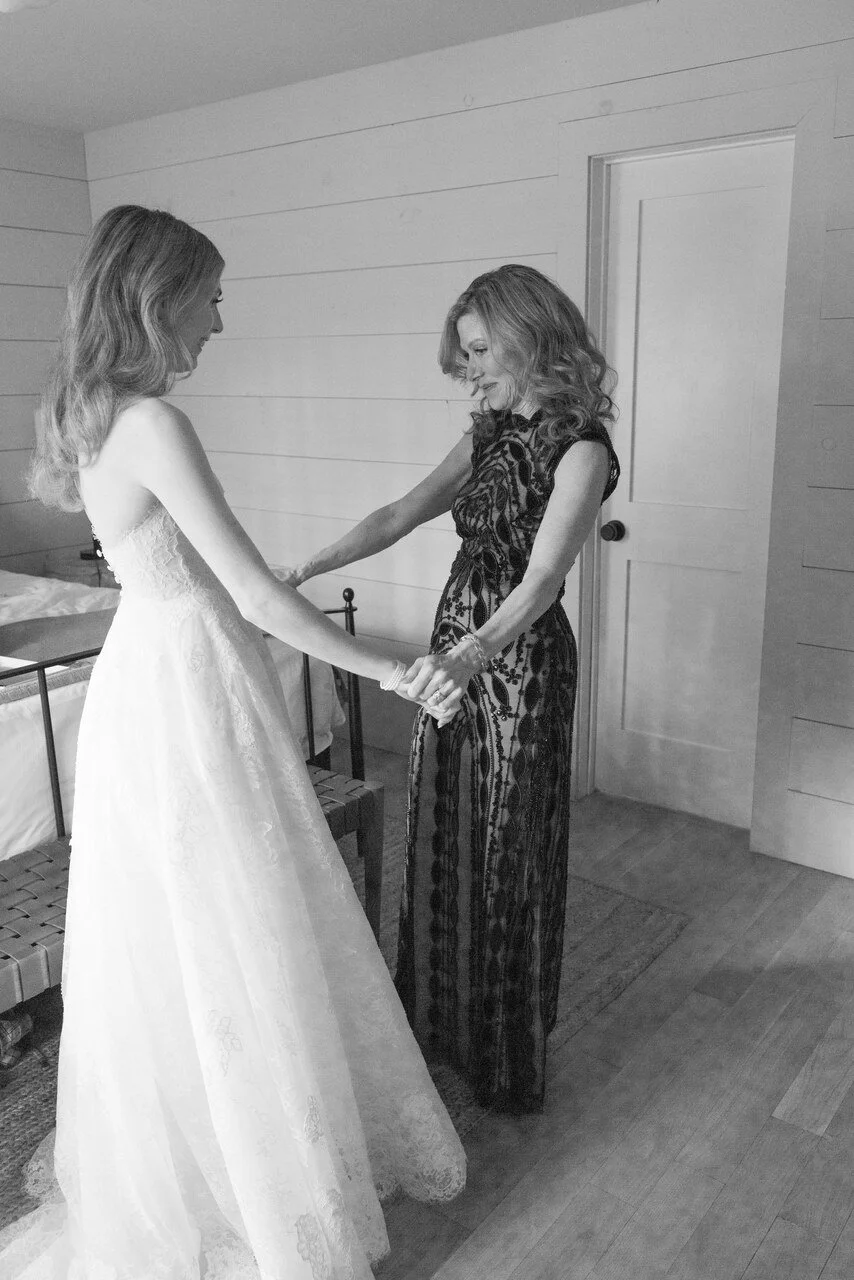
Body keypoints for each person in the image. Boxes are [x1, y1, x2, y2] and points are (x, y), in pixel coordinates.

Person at [0, 205, 465, 1279]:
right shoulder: (154, 424)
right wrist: (392, 668)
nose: (220, 315)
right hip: (184, 683)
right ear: (157, 298)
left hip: (143, 683)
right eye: (209, 294)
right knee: (235, 921)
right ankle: (259, 1178)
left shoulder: (91, 415)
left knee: (186, 930)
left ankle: (215, 1147)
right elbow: (252, 593)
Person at [289, 264, 620, 1112]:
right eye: (464, 353)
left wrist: (469, 656)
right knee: (439, 827)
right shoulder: (486, 434)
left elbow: (543, 581)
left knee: (506, 850)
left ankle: (502, 1058)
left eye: (478, 351)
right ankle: (435, 1024)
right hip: (453, 657)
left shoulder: (580, 450)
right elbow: (401, 512)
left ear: (529, 336)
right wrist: (306, 566)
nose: (467, 370)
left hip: (517, 666)